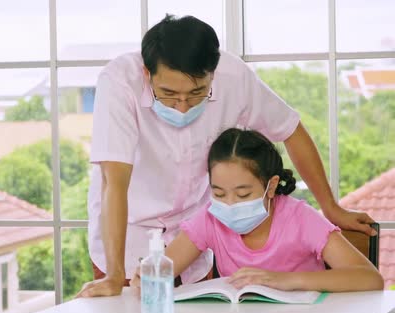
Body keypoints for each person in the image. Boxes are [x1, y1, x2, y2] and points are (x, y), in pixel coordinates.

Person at [76, 14, 376, 298]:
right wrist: (115, 274)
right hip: (129, 234)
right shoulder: (118, 83)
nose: (182, 106)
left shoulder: (234, 77)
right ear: (147, 73)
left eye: (196, 94)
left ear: (212, 75)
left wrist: (331, 207)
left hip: (193, 235)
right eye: (168, 94)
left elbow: (291, 128)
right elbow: (113, 183)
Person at [130, 128, 383, 292]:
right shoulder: (210, 218)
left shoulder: (301, 218)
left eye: (243, 194)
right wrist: (147, 278)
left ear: (271, 186)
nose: (229, 203)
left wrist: (285, 281)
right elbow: (163, 270)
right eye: (218, 193)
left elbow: (370, 279)